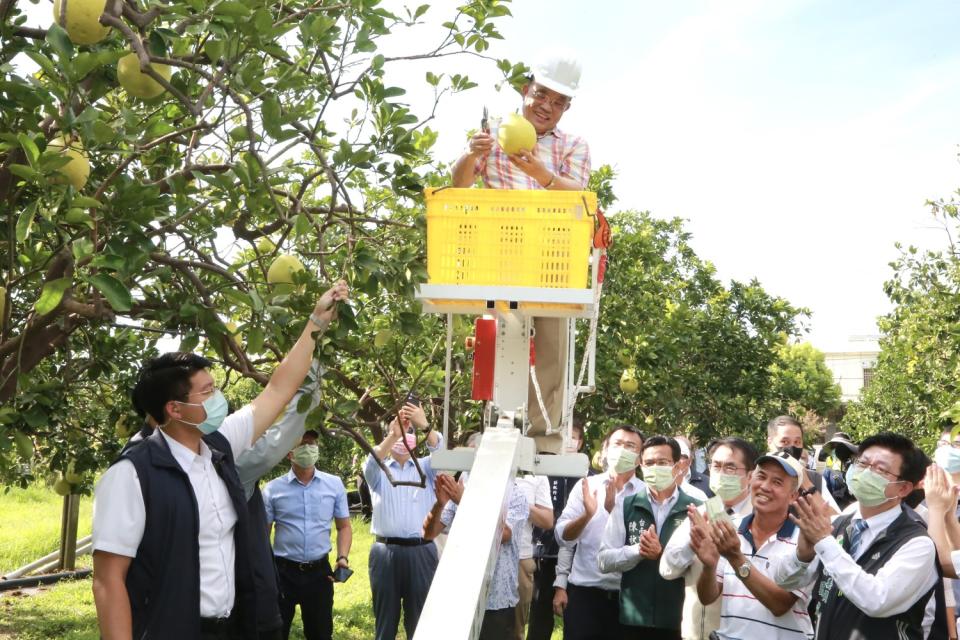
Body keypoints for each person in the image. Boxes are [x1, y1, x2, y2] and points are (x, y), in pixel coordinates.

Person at [91, 281, 349, 640]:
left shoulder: (219, 447)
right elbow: (108, 580)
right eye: (208, 392)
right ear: (175, 409)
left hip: (230, 628)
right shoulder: (132, 475)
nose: (218, 398)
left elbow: (276, 390)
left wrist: (315, 325)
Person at [450, 49, 590, 455]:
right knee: (498, 338)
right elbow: (459, 184)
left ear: (567, 107)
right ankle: (497, 424)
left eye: (559, 101)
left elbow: (579, 195)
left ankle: (543, 436)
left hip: (553, 257)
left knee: (552, 346)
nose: (547, 106)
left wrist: (540, 174)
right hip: (501, 251)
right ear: (526, 90)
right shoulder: (493, 133)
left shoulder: (573, 145)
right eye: (542, 95)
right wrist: (473, 153)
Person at [772, 432, 940, 639]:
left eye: (880, 469)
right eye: (862, 463)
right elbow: (784, 581)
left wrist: (825, 543)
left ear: (903, 488)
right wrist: (802, 556)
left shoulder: (917, 543)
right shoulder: (841, 523)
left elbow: (877, 601)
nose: (865, 472)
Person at [691, 450, 814, 639]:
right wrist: (708, 566)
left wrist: (735, 558)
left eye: (777, 482)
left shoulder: (805, 541)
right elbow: (707, 597)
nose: (765, 486)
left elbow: (780, 605)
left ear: (793, 496)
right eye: (761, 476)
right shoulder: (732, 529)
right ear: (750, 481)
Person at [598, 435, 703, 640]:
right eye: (649, 463)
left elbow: (704, 563)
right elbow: (604, 560)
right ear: (641, 466)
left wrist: (663, 554)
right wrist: (638, 550)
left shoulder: (696, 508)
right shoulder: (626, 505)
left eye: (663, 463)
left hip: (679, 618)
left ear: (677, 466)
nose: (655, 468)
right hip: (634, 618)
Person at [660, 437, 758, 639]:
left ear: (750, 475)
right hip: (696, 632)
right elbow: (667, 569)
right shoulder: (701, 513)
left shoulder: (760, 519)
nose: (721, 473)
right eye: (716, 466)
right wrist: (693, 543)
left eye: (730, 468)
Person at [554, 425, 644, 640]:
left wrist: (614, 511)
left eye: (630, 446)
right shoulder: (587, 487)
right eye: (617, 444)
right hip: (585, 594)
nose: (622, 450)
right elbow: (563, 538)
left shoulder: (646, 494)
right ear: (604, 451)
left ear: (640, 458)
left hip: (629, 598)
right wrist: (586, 515)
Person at [363, 402, 443, 640]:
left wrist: (424, 425)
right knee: (385, 620)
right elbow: (371, 461)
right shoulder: (380, 471)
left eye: (409, 435)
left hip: (421, 551)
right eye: (401, 434)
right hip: (385, 551)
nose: (403, 439)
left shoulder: (427, 469)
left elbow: (441, 450)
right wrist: (391, 435)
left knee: (419, 620)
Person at [423, 462, 530, 638]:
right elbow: (428, 533)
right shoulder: (464, 488)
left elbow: (503, 534)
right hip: (462, 597)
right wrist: (439, 505)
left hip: (497, 601)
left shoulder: (514, 494)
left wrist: (466, 502)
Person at [262, 430, 352, 640]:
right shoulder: (273, 490)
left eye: (312, 444)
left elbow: (344, 527)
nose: (309, 448)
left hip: (319, 572)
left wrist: (342, 557)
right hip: (283, 571)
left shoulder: (334, 484)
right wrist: (265, 572)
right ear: (289, 453)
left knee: (320, 633)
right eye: (302, 444)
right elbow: (263, 535)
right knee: (275, 632)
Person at [528, 421, 588, 640]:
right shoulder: (542, 470)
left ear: (580, 442)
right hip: (543, 551)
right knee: (540, 611)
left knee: (572, 611)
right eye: (565, 436)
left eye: (574, 436)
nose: (569, 441)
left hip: (575, 552)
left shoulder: (586, 474)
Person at [766, 415, 840, 513]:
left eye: (797, 442)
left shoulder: (815, 479)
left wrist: (807, 485)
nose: (791, 447)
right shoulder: (755, 478)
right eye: (784, 441)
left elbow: (837, 520)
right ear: (770, 442)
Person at [514, 472, 554, 639]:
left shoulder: (536, 472)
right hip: (480, 557)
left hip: (520, 558)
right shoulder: (479, 460)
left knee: (514, 629)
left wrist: (519, 500)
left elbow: (547, 520)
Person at [674, 435, 710, 500]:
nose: (675, 460)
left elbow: (716, 510)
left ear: (690, 457)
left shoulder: (708, 484)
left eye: (680, 455)